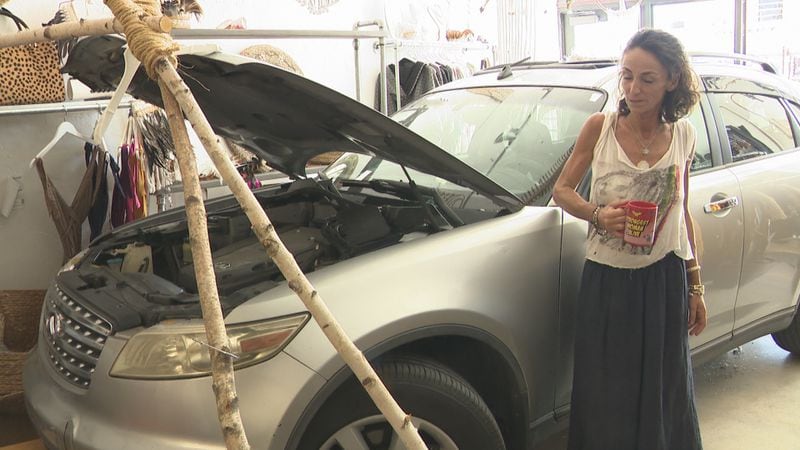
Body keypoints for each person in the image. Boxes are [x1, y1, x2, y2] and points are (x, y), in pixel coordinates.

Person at [552, 28, 707, 450]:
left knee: (664, 392)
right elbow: (561, 190)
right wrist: (599, 215)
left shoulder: (684, 136)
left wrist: (695, 284)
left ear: (672, 80)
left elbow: (682, 212)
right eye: (626, 76)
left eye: (647, 79)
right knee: (606, 395)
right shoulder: (599, 128)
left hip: (664, 281)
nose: (633, 89)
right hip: (609, 282)